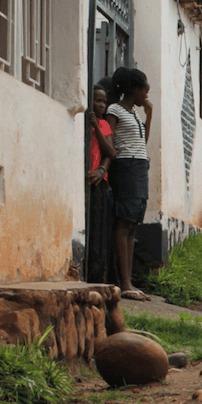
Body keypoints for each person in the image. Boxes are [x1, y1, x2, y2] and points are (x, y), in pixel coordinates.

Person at [105, 67, 153, 300]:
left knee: (133, 224)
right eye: (145, 91)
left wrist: (149, 116)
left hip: (139, 166)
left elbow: (142, 142)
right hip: (126, 166)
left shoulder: (134, 113)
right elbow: (109, 139)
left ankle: (129, 281)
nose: (146, 96)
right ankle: (123, 283)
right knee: (124, 223)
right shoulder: (114, 110)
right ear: (134, 90)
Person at [85, 84, 116, 284]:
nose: (102, 105)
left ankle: (96, 276)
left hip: (98, 182)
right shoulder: (82, 121)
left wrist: (96, 127)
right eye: (98, 100)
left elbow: (110, 152)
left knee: (98, 231)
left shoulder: (103, 125)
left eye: (104, 101)